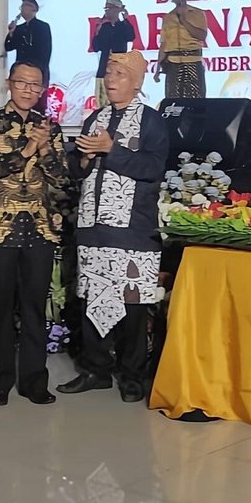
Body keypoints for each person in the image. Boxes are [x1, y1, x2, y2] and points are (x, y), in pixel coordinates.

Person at [61, 50, 169, 403]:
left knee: (132, 304)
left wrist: (112, 149)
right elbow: (78, 172)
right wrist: (84, 158)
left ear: (137, 83)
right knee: (92, 298)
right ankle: (95, 370)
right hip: (93, 226)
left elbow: (153, 168)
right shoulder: (96, 118)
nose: (110, 79)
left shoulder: (152, 121)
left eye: (120, 74)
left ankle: (132, 376)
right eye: (109, 72)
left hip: (133, 229)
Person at [0, 60, 71, 405]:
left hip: (40, 230)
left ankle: (34, 382)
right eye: (22, 82)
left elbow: (62, 178)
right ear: (9, 83)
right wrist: (25, 151)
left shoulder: (49, 127)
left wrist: (44, 149)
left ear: (42, 89)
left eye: (35, 84)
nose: (29, 90)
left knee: (34, 310)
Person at [156, 0, 208, 98]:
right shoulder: (168, 17)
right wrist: (158, 66)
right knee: (173, 99)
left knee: (195, 98)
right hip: (173, 63)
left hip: (193, 61)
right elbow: (164, 43)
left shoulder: (197, 13)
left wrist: (183, 20)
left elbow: (202, 36)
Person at [90, 0, 136, 106]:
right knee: (102, 99)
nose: (106, 11)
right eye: (105, 9)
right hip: (104, 68)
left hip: (119, 68)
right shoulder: (105, 27)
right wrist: (97, 31)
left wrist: (125, 19)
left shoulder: (123, 25)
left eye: (109, 9)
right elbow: (96, 47)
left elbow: (131, 36)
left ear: (116, 10)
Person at [6, 0, 53, 76]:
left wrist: (42, 71)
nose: (22, 8)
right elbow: (8, 47)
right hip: (20, 70)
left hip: (37, 71)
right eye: (22, 6)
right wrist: (11, 33)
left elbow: (46, 51)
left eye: (26, 5)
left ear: (34, 9)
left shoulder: (43, 27)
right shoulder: (19, 28)